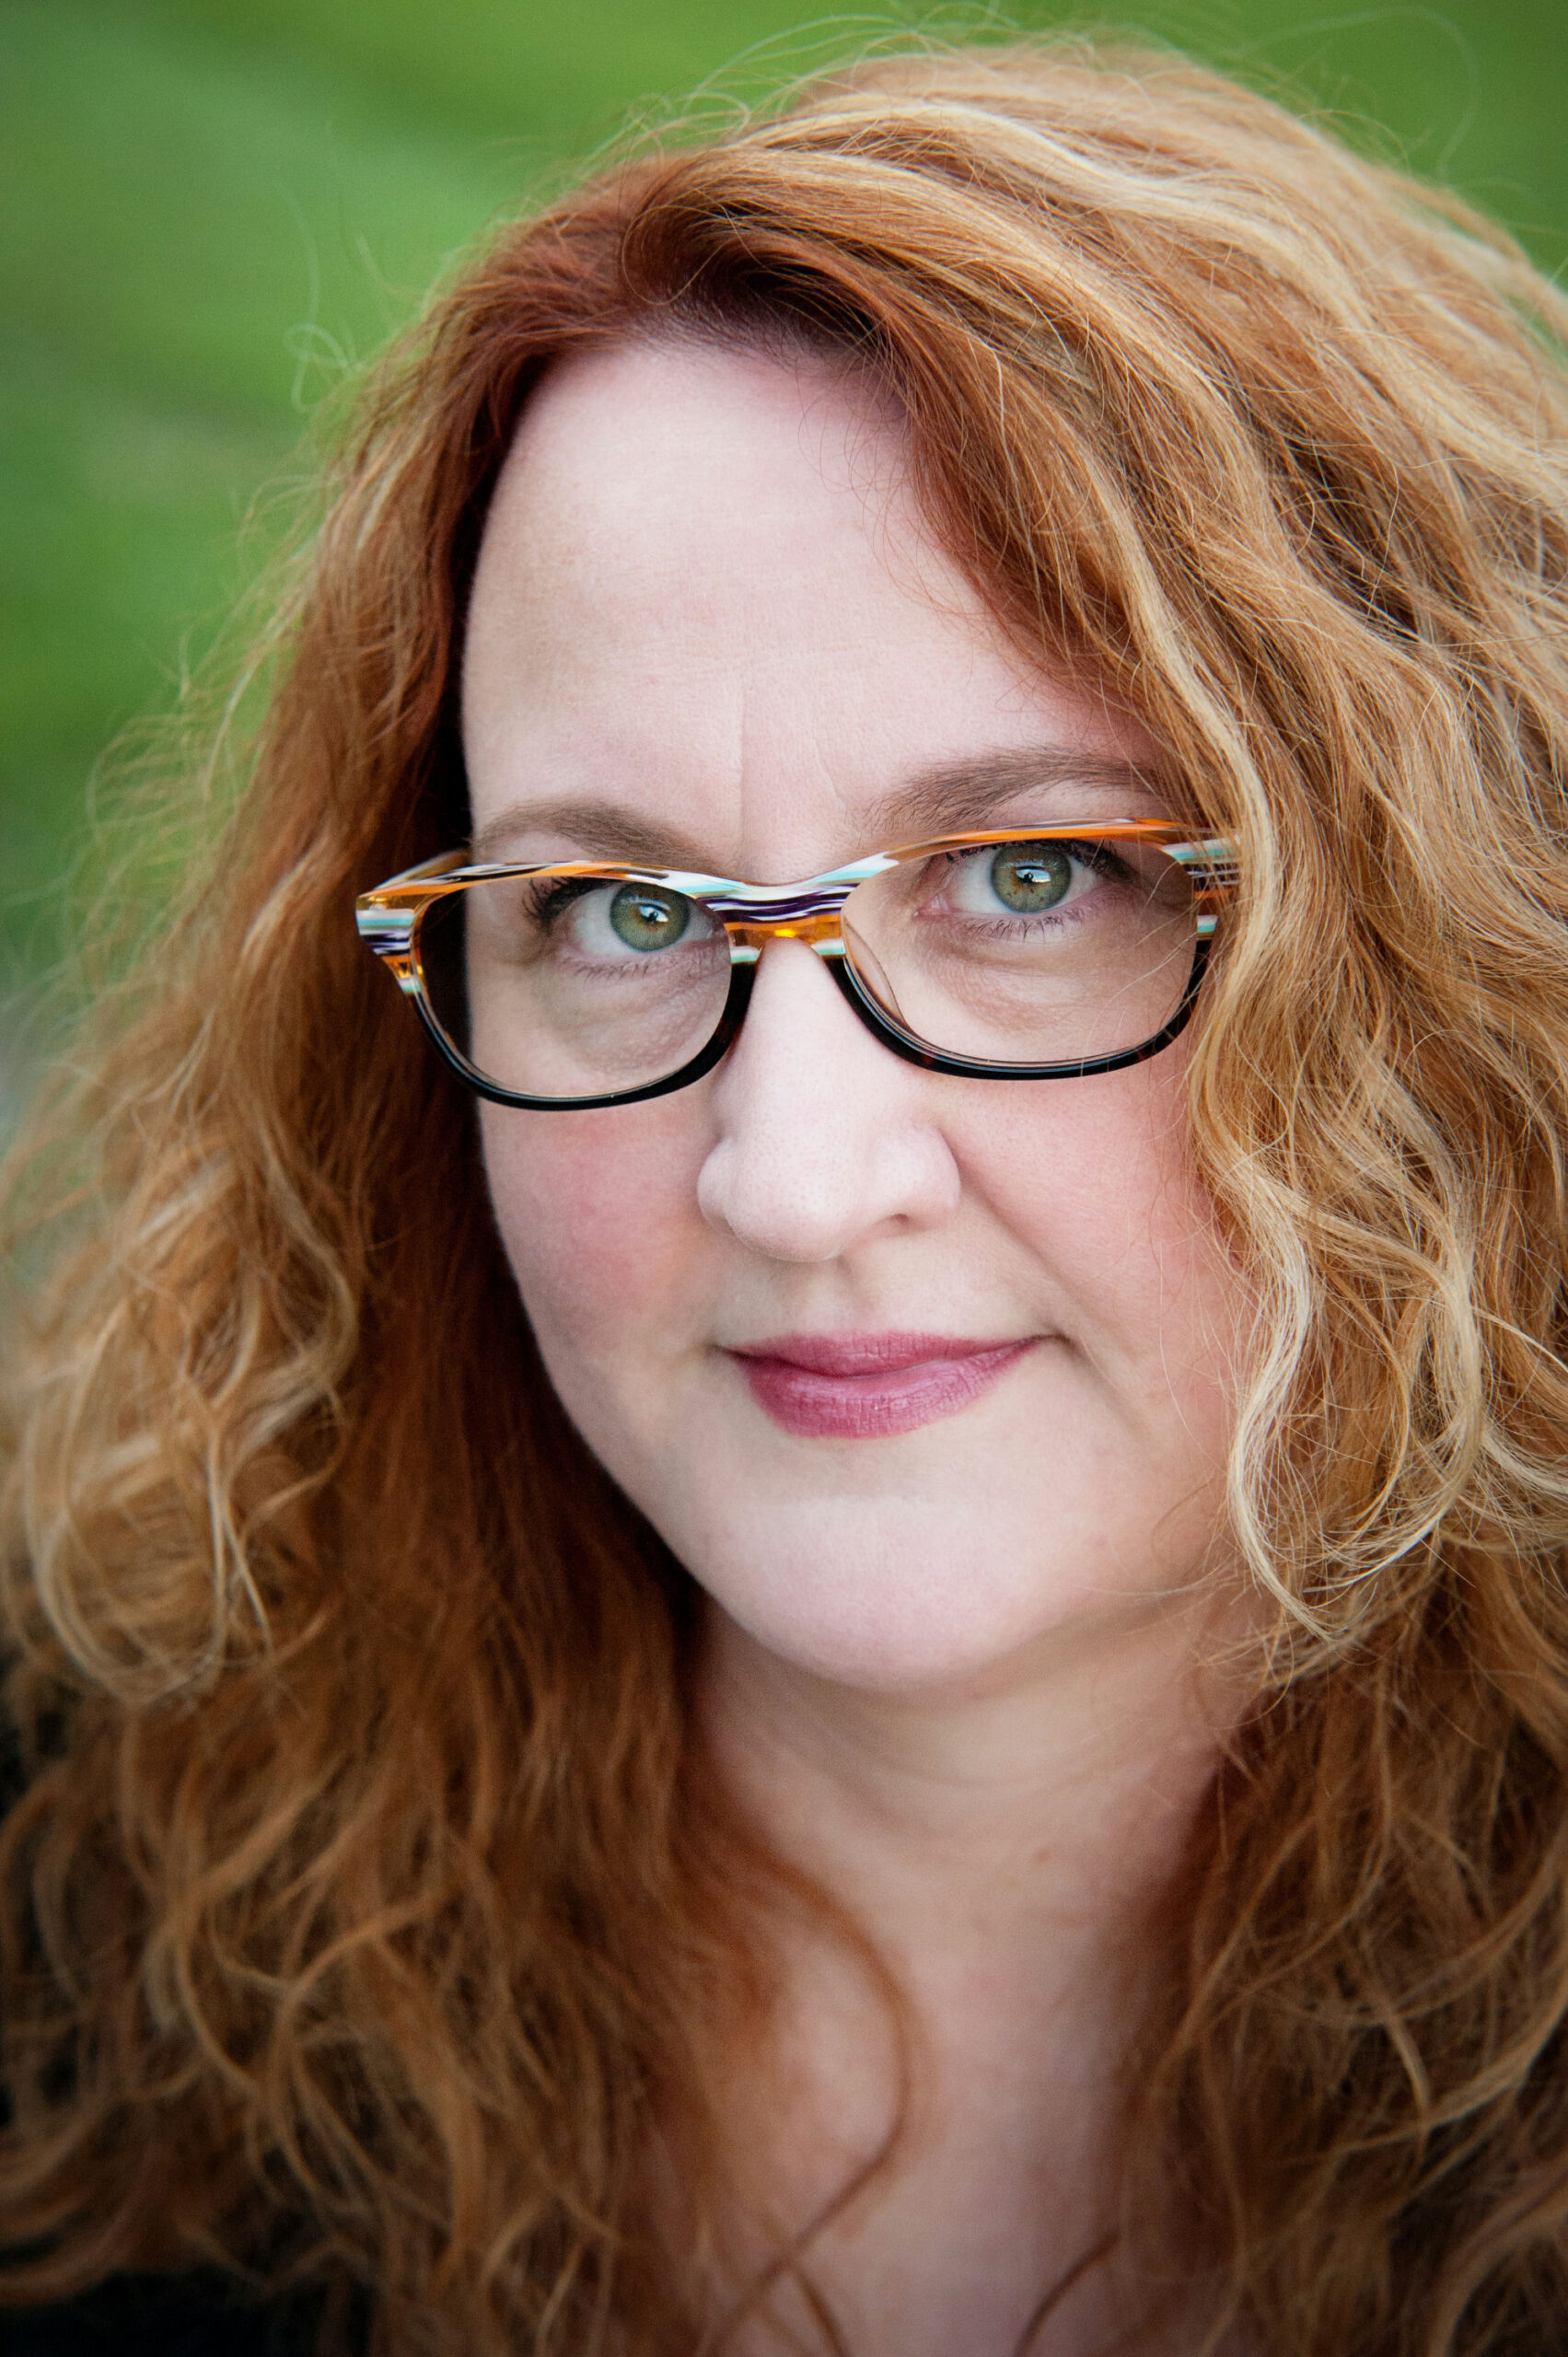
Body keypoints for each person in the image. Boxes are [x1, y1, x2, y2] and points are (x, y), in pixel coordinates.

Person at [5, 32, 1568, 2357]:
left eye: (1040, 875)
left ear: (1452, 947)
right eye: (623, 918)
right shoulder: (68, 1965)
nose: (797, 1174)